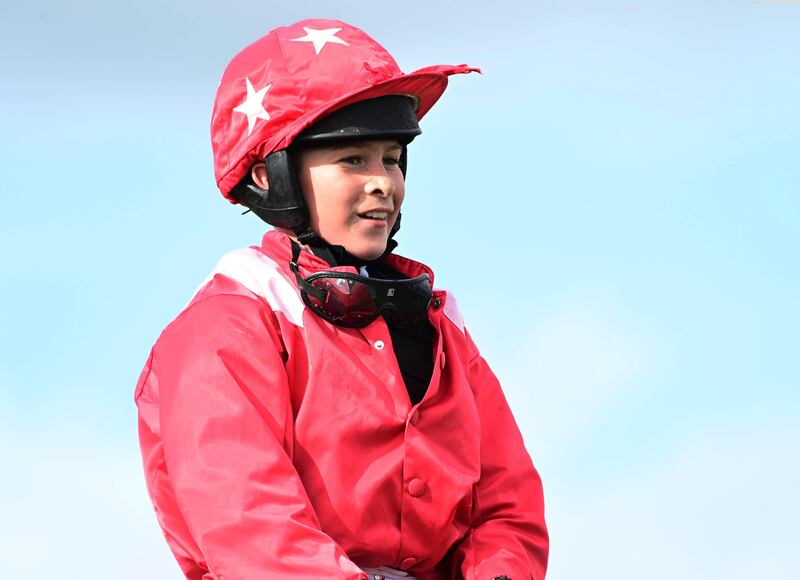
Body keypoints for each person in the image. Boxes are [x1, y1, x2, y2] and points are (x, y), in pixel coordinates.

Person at [135, 18, 549, 580]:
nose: (383, 182)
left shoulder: (440, 327)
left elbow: (507, 508)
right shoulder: (228, 324)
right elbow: (251, 527)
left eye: (392, 159)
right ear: (270, 175)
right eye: (353, 159)